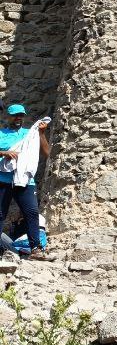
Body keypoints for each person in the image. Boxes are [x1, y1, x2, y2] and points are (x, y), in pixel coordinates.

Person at [0, 103, 50, 258]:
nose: (18, 118)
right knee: (0, 214)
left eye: (21, 115)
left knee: (32, 213)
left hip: (25, 180)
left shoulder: (30, 134)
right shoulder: (1, 134)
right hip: (3, 180)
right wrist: (4, 153)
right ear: (8, 116)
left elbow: (47, 153)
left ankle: (36, 249)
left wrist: (41, 133)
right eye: (15, 115)